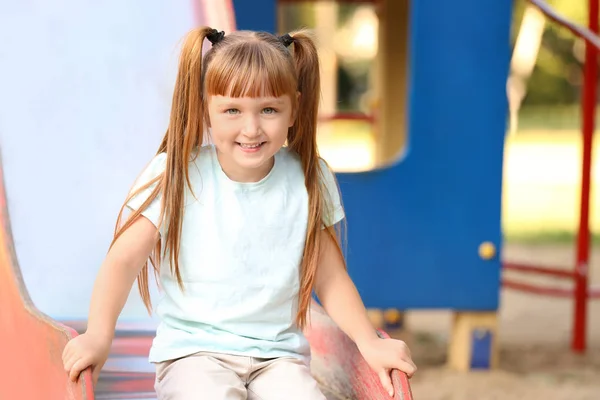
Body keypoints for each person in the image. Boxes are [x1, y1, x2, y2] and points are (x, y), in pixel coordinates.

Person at [62, 26, 416, 399]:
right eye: (232, 110)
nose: (251, 128)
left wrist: (368, 341)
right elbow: (122, 261)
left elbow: (330, 276)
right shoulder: (177, 175)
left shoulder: (308, 177)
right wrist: (99, 336)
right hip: (194, 354)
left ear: (293, 108)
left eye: (268, 109)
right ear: (205, 110)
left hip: (278, 358)